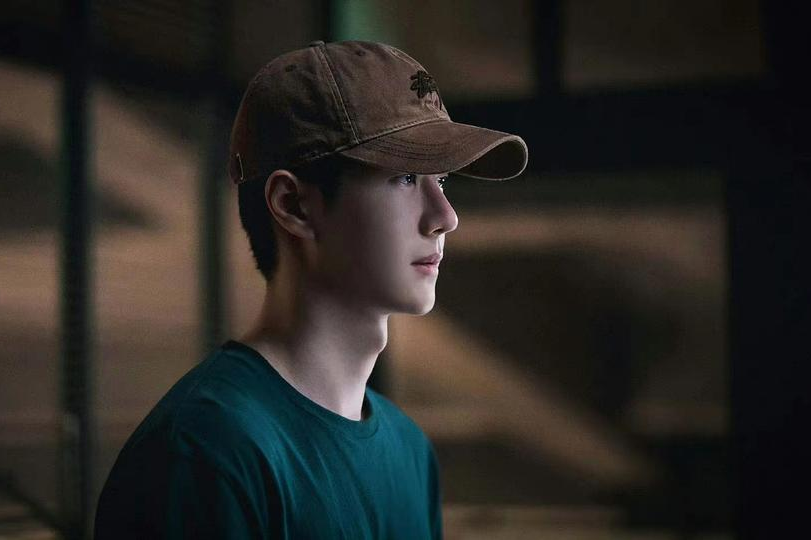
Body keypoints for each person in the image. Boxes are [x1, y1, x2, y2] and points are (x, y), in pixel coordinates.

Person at [94, 39, 528, 539]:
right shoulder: (207, 452)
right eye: (406, 177)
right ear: (294, 204)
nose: (445, 217)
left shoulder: (409, 452)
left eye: (443, 181)